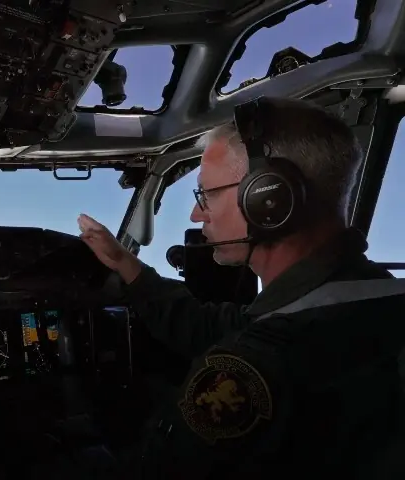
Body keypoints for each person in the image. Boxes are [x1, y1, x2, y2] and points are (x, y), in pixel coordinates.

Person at [79, 96, 405, 478]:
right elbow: (220, 326)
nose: (196, 214)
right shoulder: (375, 297)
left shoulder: (258, 365)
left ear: (268, 198)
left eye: (206, 194)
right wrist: (125, 264)